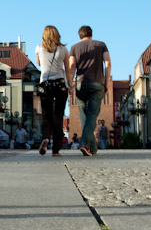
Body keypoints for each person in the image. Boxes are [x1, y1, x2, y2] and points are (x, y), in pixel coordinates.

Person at [69, 26, 111, 157]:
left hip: (81, 84)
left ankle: (91, 149)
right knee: (92, 115)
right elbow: (108, 63)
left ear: (79, 36)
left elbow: (72, 67)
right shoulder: (101, 45)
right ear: (91, 34)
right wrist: (106, 82)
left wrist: (70, 84)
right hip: (97, 84)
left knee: (84, 116)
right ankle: (85, 143)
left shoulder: (74, 47)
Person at [35, 25, 72, 157]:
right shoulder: (63, 49)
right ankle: (56, 149)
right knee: (58, 116)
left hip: (45, 84)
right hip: (60, 85)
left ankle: (45, 138)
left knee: (46, 115)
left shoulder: (39, 48)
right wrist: (71, 85)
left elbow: (39, 63)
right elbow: (67, 70)